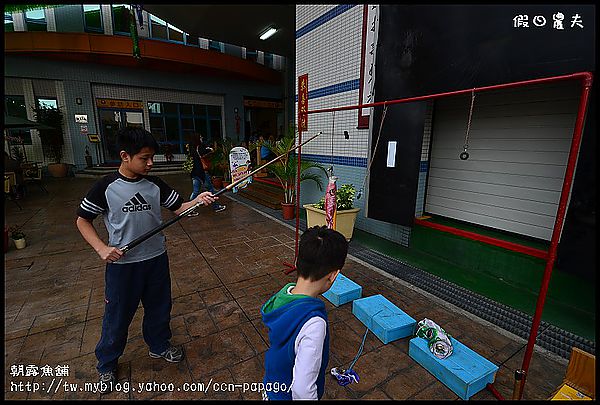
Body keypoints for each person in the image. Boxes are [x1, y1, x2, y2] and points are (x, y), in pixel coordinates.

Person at [75, 127, 218, 394]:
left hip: (155, 259)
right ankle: (107, 363)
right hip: (122, 266)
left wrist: (197, 200)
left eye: (152, 157)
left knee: (159, 307)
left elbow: (179, 209)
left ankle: (159, 345)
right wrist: (101, 249)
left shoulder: (155, 185)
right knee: (117, 315)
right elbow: (82, 220)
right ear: (124, 156)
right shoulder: (105, 187)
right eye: (145, 158)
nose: (151, 163)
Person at [261, 226, 349, 400]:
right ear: (333, 276)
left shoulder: (283, 296)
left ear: (297, 262)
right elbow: (302, 389)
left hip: (272, 387)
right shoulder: (314, 323)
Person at [188, 133, 226, 216]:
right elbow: (204, 152)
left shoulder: (192, 147)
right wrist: (211, 149)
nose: (202, 138)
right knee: (210, 190)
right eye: (200, 137)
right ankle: (216, 207)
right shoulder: (200, 146)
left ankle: (189, 210)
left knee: (195, 192)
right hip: (202, 173)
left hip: (195, 173)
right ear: (197, 138)